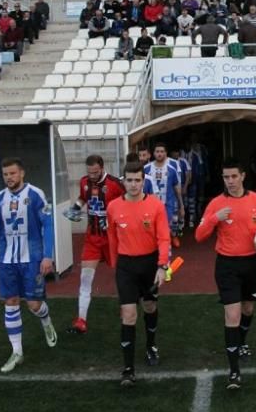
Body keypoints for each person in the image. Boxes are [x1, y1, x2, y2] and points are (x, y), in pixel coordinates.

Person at [195, 158, 256, 390]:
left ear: (243, 176)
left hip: (252, 264)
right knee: (233, 315)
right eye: (226, 177)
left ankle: (242, 342)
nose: (230, 181)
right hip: (226, 266)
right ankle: (234, 371)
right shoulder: (216, 203)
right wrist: (215, 218)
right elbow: (199, 235)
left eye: (234, 176)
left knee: (248, 309)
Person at [0, 158, 58, 374]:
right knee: (11, 302)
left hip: (32, 259)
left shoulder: (35, 194)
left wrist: (47, 256)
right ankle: (17, 351)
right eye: (5, 174)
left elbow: (48, 225)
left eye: (13, 173)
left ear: (22, 173)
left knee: (34, 305)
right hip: (7, 261)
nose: (9, 177)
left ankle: (45, 319)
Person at [107, 161, 171, 386]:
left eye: (137, 180)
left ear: (144, 181)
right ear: (123, 181)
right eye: (129, 180)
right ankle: (128, 368)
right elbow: (112, 239)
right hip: (125, 266)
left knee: (150, 307)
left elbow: (164, 238)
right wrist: (116, 265)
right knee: (128, 314)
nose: (133, 184)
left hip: (150, 264)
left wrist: (162, 266)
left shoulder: (155, 206)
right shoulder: (113, 207)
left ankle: (151, 345)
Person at [64, 155, 126, 335]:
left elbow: (127, 203)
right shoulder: (84, 182)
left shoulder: (115, 184)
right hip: (92, 237)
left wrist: (113, 220)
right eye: (89, 172)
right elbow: (82, 198)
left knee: (122, 275)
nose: (91, 176)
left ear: (102, 168)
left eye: (95, 172)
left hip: (112, 238)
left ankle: (125, 306)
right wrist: (75, 209)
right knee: (85, 278)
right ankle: (81, 320)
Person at [143, 144, 185, 249]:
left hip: (169, 202)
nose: (159, 154)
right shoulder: (146, 168)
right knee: (153, 224)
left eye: (162, 151)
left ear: (166, 153)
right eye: (157, 151)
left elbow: (177, 187)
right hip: (151, 203)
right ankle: (158, 243)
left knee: (171, 223)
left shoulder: (171, 169)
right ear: (153, 153)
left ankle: (173, 236)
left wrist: (181, 205)